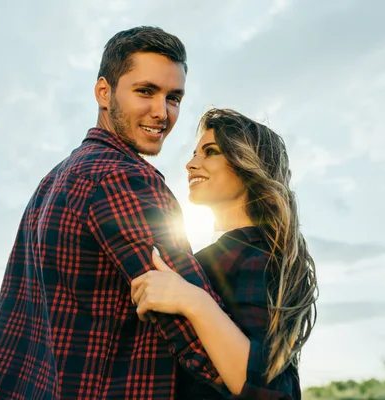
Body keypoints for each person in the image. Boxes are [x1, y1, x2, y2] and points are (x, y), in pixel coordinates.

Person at [0, 26, 229, 399]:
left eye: (174, 98)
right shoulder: (123, 180)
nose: (162, 113)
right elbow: (202, 344)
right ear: (103, 92)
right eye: (145, 91)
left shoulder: (55, 179)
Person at [131, 108, 318, 399]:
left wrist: (190, 299)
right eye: (195, 153)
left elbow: (270, 391)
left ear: (248, 163)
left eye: (211, 151)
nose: (191, 164)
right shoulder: (226, 253)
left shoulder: (257, 254)